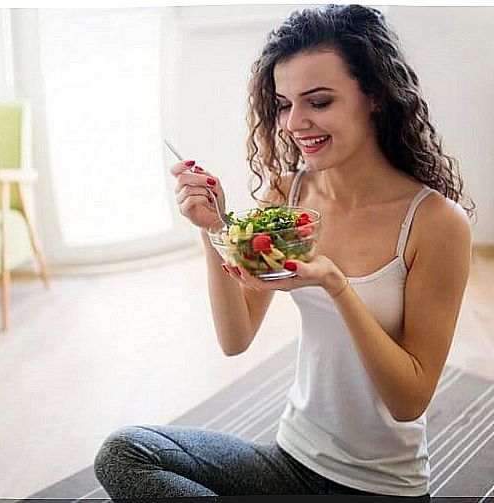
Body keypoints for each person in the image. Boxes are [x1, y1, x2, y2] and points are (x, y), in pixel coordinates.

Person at [94, 4, 474, 500]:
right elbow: (236, 338)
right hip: (291, 459)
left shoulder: (435, 222)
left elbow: (410, 400)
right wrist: (214, 231)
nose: (295, 123)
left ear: (375, 96)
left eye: (318, 101)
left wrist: (334, 284)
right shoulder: (287, 195)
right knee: (125, 454)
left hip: (380, 487)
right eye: (283, 103)